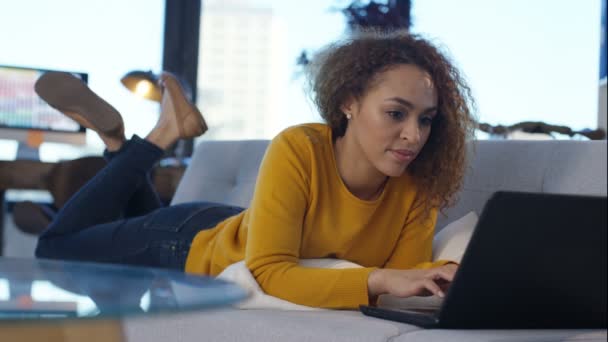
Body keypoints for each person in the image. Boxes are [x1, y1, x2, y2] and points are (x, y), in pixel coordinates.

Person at [35, 31, 476, 309]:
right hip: (190, 243)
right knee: (53, 248)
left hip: (231, 224)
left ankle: (118, 144)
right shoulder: (301, 147)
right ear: (349, 102)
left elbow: (397, 286)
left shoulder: (420, 180)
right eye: (396, 114)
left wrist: (432, 279)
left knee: (118, 276)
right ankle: (156, 138)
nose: (413, 136)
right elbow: (270, 272)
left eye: (425, 119)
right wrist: (380, 280)